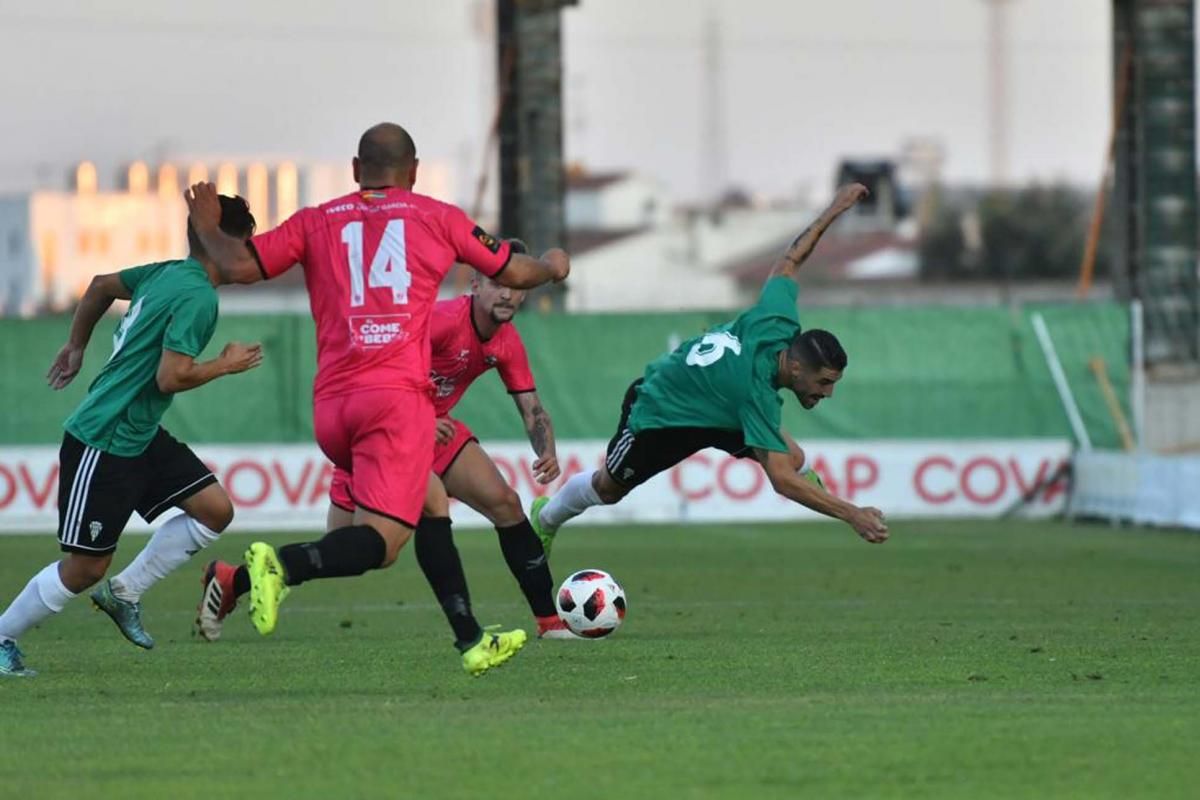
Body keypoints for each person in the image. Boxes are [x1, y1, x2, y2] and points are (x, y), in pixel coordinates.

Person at [185, 122, 569, 676]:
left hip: (333, 406)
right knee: (380, 547)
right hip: (395, 403)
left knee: (435, 505)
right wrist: (554, 267)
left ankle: (472, 640)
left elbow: (236, 266)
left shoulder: (316, 220)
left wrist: (206, 227)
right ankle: (280, 567)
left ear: (354, 170)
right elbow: (512, 267)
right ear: (413, 172)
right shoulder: (437, 217)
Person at [196, 243, 577, 642]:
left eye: (517, 286)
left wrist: (545, 449)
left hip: (436, 434)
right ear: (477, 283)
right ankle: (231, 579)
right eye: (499, 282)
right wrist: (418, 416)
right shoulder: (443, 321)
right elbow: (381, 364)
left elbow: (531, 407)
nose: (507, 294)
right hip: (384, 432)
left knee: (507, 504)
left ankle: (548, 622)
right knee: (354, 550)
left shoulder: (506, 342)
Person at [530, 184, 889, 555]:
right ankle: (545, 518)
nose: (827, 393)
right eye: (824, 382)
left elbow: (790, 261)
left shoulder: (778, 319)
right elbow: (780, 481)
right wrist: (852, 514)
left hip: (720, 410)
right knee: (608, 490)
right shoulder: (753, 391)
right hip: (661, 414)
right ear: (796, 368)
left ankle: (815, 491)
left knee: (792, 459)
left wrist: (834, 209)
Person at [0, 195, 263, 677]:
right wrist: (224, 365)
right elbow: (170, 377)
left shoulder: (168, 272)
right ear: (224, 242)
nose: (252, 253)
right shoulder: (198, 295)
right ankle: (2, 635)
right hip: (105, 438)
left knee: (214, 510)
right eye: (248, 241)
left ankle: (126, 592)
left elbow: (101, 286)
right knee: (84, 569)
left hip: (139, 434)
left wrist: (76, 345)